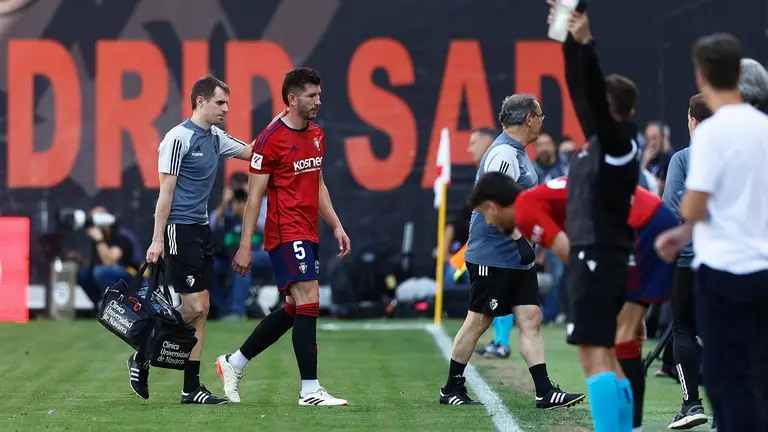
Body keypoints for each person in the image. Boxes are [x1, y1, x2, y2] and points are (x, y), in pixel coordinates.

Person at [469, 172, 677, 431]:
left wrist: (603, 298)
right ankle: (629, 427)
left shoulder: (525, 210)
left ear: (492, 206)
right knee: (623, 339)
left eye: (485, 214)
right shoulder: (536, 198)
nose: (488, 222)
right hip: (650, 223)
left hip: (640, 229)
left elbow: (570, 252)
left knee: (592, 348)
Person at [128, 74, 276, 405]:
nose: (225, 109)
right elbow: (165, 193)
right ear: (200, 102)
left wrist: (281, 122)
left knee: (203, 309)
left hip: (201, 230)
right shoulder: (177, 138)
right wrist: (156, 240)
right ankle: (141, 353)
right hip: (178, 230)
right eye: (220, 103)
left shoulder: (216, 138)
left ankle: (190, 388)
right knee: (193, 306)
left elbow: (253, 152)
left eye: (227, 103)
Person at [215, 67, 352, 406]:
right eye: (311, 95)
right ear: (292, 99)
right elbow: (254, 199)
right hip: (284, 232)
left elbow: (318, 185)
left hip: (308, 230)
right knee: (310, 299)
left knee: (294, 308)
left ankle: (234, 363)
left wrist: (335, 224)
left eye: (319, 95)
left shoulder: (318, 135)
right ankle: (309, 390)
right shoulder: (269, 141)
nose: (318, 101)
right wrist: (246, 246)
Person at [439, 93, 584, 408]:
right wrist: (520, 238)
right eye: (541, 116)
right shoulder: (504, 153)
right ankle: (451, 387)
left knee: (530, 317)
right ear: (529, 119)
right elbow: (492, 202)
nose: (542, 123)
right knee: (479, 320)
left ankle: (544, 390)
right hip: (493, 252)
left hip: (514, 253)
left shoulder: (516, 152)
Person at [655, 33, 768, 431]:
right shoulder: (764, 128)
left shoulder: (709, 137)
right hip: (763, 266)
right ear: (739, 73)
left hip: (723, 270)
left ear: (700, 75)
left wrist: (681, 230)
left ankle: (694, 406)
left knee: (726, 375)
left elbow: (691, 206)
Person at [553, 4, 641, 431]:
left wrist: (587, 46)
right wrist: (571, 43)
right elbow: (578, 89)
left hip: (598, 256)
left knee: (592, 354)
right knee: (605, 353)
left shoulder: (617, 143)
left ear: (612, 110)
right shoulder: (603, 142)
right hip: (605, 255)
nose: (589, 109)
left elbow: (587, 90)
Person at [663, 93, 712, 430]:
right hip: (732, 260)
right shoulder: (740, 155)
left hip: (689, 260)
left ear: (692, 120)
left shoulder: (683, 159)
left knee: (684, 329)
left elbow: (671, 209)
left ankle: (691, 402)